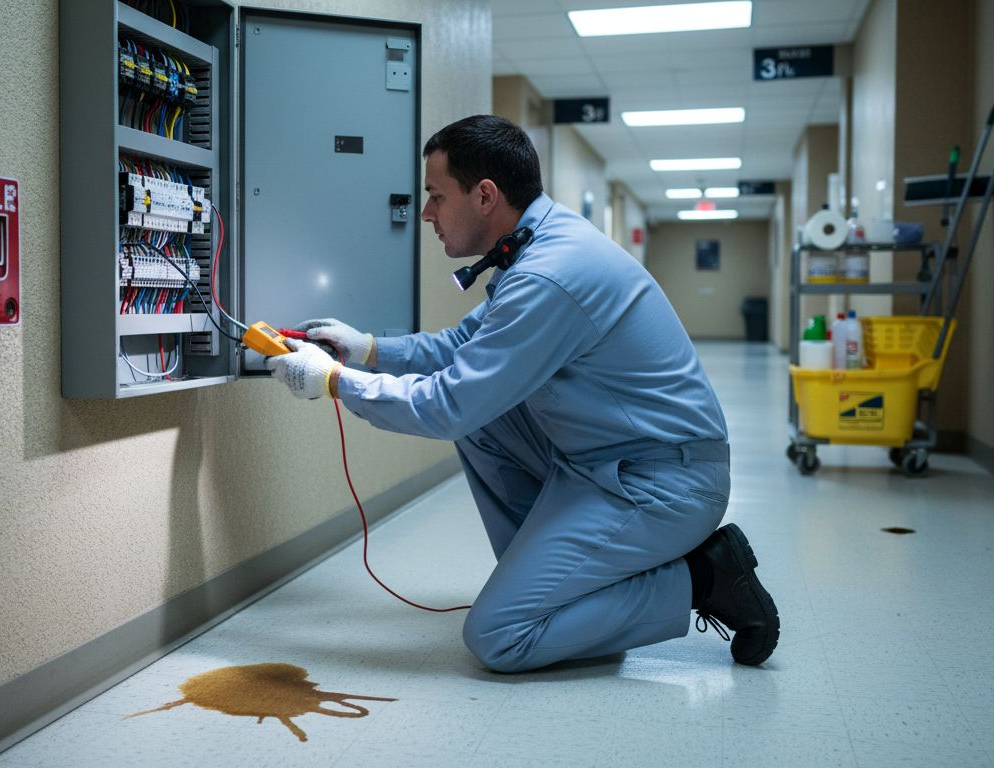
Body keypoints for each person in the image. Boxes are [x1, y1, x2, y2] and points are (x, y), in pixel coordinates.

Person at [266, 114, 778, 673]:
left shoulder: (548, 275)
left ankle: (703, 576)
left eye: (437, 196)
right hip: (603, 460)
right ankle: (557, 592)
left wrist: (335, 382)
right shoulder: (535, 242)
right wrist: (365, 348)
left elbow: (447, 405)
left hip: (661, 482)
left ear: (484, 195)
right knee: (485, 423)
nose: (426, 213)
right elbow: (466, 344)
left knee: (499, 636)